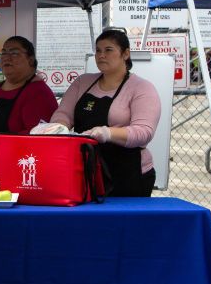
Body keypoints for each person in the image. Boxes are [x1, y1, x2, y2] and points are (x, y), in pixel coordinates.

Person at [49, 28, 160, 197]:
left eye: (108, 50)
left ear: (125, 54)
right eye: (98, 51)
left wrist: (107, 133)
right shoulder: (83, 82)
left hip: (128, 174)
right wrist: (57, 127)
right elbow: (64, 113)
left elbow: (144, 132)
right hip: (86, 169)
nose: (101, 55)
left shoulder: (142, 88)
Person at [0, 35, 58, 179]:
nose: (7, 57)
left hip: (19, 168)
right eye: (4, 52)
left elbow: (39, 134)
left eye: (14, 53)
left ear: (30, 59)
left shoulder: (38, 93)